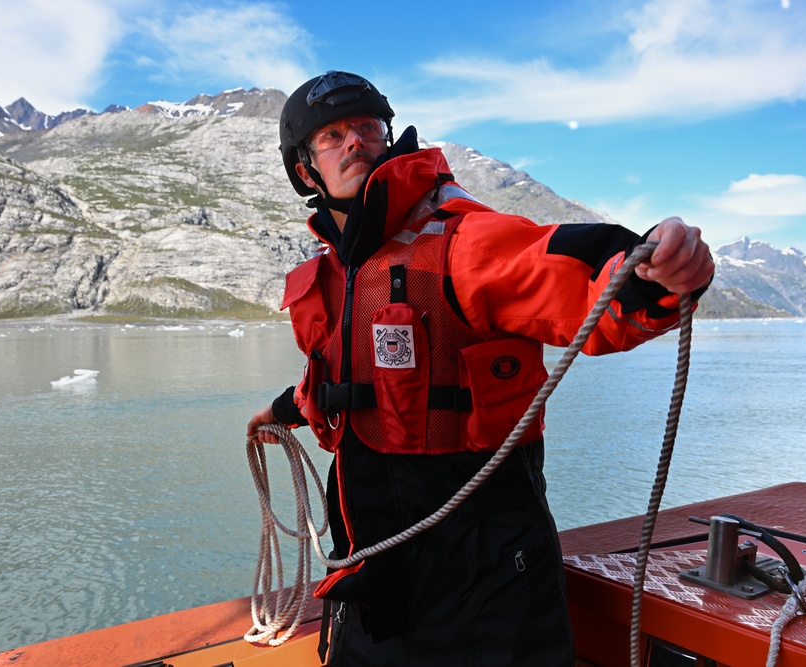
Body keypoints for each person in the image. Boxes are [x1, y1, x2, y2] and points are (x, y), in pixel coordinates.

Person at [247, 70, 714, 666]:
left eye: (366, 127)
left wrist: (654, 271)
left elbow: (570, 272)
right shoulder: (336, 270)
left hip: (486, 581)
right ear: (304, 170)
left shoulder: (463, 240)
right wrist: (282, 411)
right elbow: (345, 381)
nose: (355, 142)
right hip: (376, 578)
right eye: (331, 136)